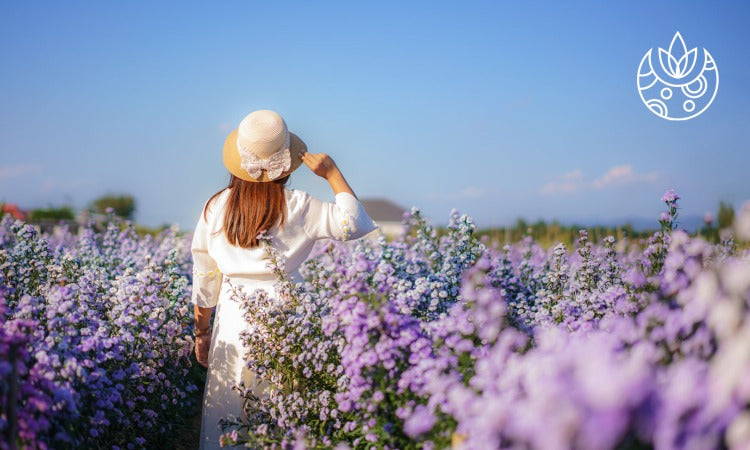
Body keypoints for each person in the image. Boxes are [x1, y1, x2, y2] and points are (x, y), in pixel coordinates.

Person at [190, 110, 377, 449]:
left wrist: (201, 333)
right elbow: (356, 224)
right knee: (283, 414)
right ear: (286, 163)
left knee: (229, 413)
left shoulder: (214, 207)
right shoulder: (300, 205)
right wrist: (332, 173)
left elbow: (205, 281)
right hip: (286, 319)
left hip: (233, 321)